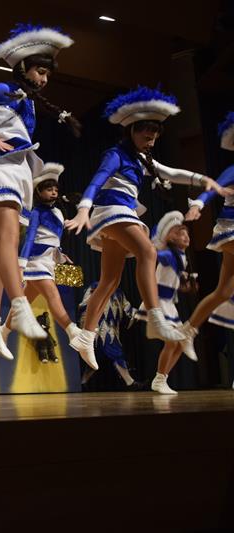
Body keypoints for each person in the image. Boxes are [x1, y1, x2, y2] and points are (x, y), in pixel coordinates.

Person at [65, 87, 228, 367]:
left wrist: (203, 180)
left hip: (122, 212)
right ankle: (155, 317)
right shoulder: (115, 154)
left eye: (155, 134)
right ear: (131, 130)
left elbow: (170, 173)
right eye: (146, 132)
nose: (151, 137)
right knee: (148, 252)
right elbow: (96, 180)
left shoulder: (141, 159)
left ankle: (86, 336)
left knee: (109, 282)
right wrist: (83, 208)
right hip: (111, 211)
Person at [0, 24, 81, 358]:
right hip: (2, 169)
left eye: (48, 74)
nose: (45, 79)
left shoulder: (30, 103)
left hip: (18, 170)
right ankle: (19, 306)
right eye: (40, 72)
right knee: (8, 242)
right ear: (23, 68)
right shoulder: (2, 88)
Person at [3, 163, 86, 362]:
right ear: (39, 192)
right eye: (49, 189)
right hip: (36, 260)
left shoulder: (58, 212)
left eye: (55, 189)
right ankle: (72, 331)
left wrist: (60, 254)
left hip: (48, 261)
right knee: (52, 295)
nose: (53, 192)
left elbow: (53, 239)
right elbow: (30, 238)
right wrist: (21, 264)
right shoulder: (36, 212)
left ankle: (3, 331)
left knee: (23, 302)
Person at [179, 111, 234, 360]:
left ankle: (188, 329)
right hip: (230, 228)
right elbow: (211, 189)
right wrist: (198, 205)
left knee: (223, 292)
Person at [132, 212, 194, 394]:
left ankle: (161, 379)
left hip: (169, 304)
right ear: (171, 238)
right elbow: (152, 254)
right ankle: (159, 380)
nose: (186, 237)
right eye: (181, 234)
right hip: (158, 301)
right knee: (173, 342)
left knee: (179, 343)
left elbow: (173, 281)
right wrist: (152, 243)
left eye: (187, 234)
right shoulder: (167, 254)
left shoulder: (181, 257)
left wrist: (185, 285)